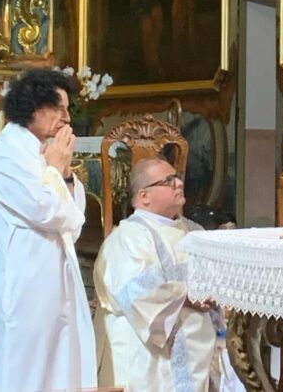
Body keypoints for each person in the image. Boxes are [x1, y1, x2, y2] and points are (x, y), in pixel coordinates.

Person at [0, 69, 96, 391]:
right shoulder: (5, 154)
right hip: (27, 285)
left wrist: (59, 171)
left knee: (61, 372)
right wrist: (56, 168)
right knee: (28, 375)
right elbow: (47, 210)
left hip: (55, 280)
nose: (66, 118)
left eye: (67, 109)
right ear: (32, 108)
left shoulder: (41, 150)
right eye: (58, 108)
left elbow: (73, 220)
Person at [94, 157, 220, 390]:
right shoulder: (129, 237)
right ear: (144, 196)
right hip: (150, 361)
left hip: (197, 357)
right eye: (168, 181)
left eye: (178, 178)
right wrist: (191, 295)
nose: (178, 184)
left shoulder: (192, 232)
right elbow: (141, 295)